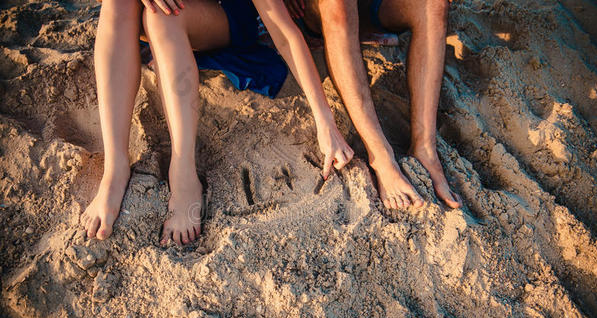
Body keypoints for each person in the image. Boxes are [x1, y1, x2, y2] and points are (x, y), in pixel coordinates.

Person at [81, 0, 353, 245]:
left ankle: (183, 172)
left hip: (220, 14)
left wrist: (324, 120)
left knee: (162, 16)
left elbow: (283, 33)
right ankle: (115, 168)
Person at [284, 0, 463, 210]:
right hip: (318, 9)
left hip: (369, 6)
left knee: (434, 4)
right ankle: (381, 156)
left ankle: (425, 147)